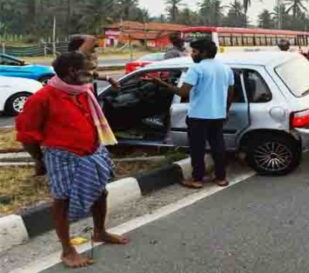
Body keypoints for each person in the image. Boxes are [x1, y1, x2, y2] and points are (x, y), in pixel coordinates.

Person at [16, 52, 128, 268]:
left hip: (93, 151)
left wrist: (103, 78)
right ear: (72, 72)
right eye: (89, 68)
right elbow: (27, 136)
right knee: (63, 201)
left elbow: (92, 74)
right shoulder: (42, 98)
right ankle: (67, 250)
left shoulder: (81, 89)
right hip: (63, 156)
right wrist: (39, 160)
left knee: (100, 192)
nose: (94, 72)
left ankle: (100, 231)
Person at [151, 39, 234, 187]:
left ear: (204, 52)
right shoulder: (226, 68)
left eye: (194, 52)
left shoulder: (196, 69)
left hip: (198, 116)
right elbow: (230, 93)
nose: (192, 55)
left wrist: (161, 83)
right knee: (218, 147)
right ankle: (221, 178)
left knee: (197, 148)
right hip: (218, 116)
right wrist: (225, 111)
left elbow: (183, 92)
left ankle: (197, 179)